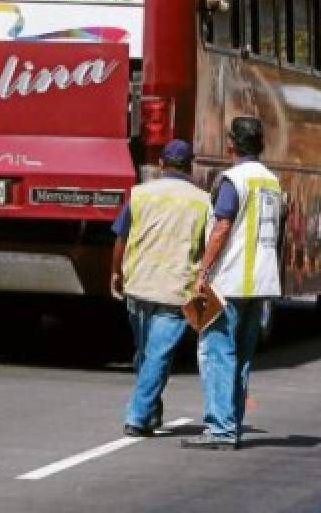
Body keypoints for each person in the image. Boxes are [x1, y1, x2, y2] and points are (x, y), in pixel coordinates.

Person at [182, 116, 282, 450]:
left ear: (231, 145)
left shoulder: (232, 180)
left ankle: (220, 429)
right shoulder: (271, 181)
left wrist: (202, 272)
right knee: (241, 357)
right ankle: (231, 422)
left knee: (216, 353)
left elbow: (222, 227)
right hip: (261, 283)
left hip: (230, 280)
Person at [111, 139, 213, 437]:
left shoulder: (141, 194)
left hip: (139, 283)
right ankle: (146, 412)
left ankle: (140, 415)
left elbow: (121, 237)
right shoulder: (203, 201)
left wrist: (115, 272)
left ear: (161, 163)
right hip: (176, 288)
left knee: (148, 352)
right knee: (154, 355)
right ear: (190, 165)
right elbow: (208, 247)